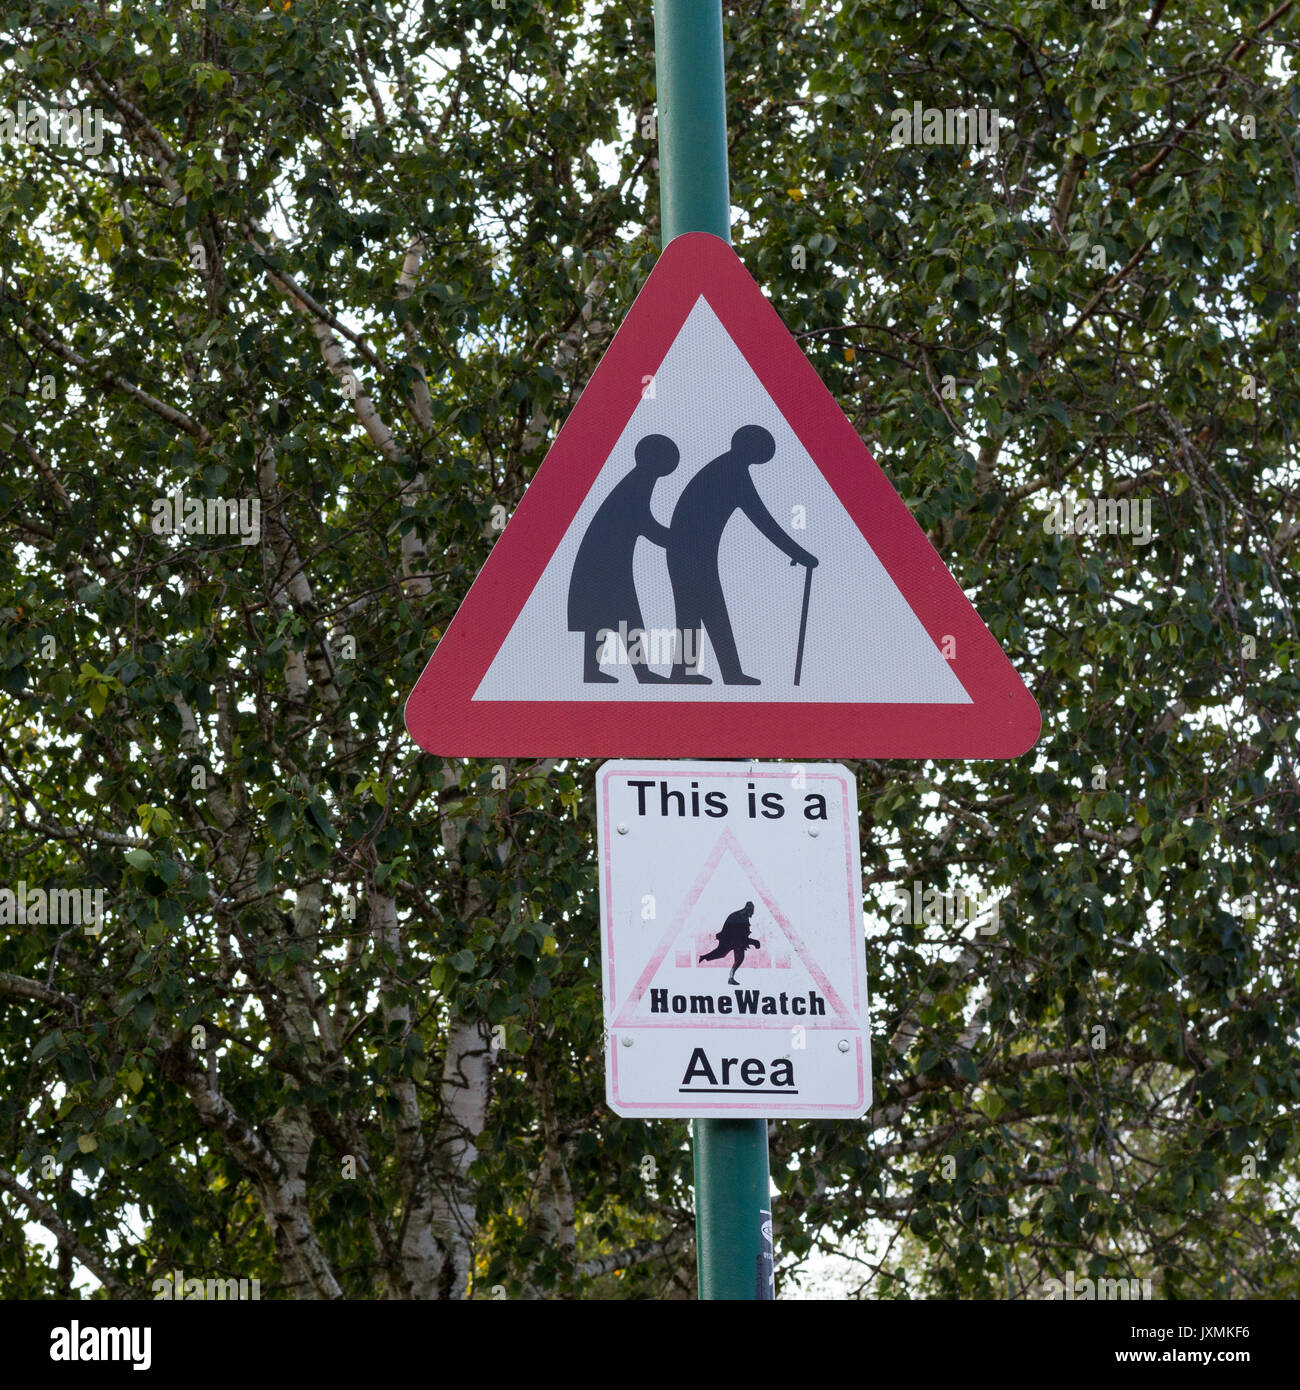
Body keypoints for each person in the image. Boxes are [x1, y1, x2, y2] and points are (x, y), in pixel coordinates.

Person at [664, 425, 816, 684]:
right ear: (750, 447)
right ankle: (704, 672)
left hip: (691, 551)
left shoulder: (727, 467)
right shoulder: (732, 472)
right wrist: (800, 554)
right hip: (690, 552)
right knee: (702, 610)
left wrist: (799, 554)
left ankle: (703, 671)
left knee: (704, 610)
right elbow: (763, 520)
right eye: (762, 448)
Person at [567, 434, 679, 683]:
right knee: (620, 615)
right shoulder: (639, 481)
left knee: (604, 616)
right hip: (605, 563)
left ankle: (608, 672)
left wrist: (670, 538)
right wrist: (677, 540)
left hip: (605, 560)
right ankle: (635, 673)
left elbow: (641, 521)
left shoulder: (638, 479)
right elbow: (642, 521)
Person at [699, 901, 762, 985]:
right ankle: (703, 957)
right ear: (748, 910)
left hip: (735, 940)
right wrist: (753, 942)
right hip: (729, 939)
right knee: (721, 953)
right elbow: (739, 937)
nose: (752, 914)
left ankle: (731, 978)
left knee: (739, 958)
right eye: (751, 912)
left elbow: (742, 936)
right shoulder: (739, 917)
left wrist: (752, 942)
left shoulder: (744, 916)